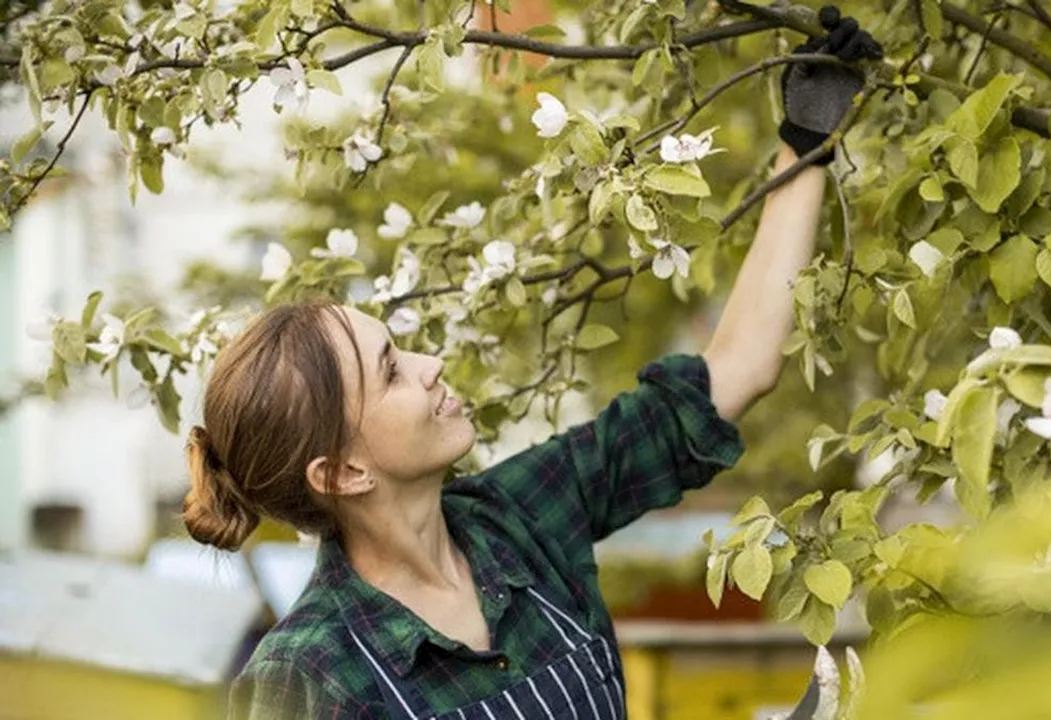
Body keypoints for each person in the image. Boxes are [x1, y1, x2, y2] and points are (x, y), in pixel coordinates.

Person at [185, 8, 881, 719]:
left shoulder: (517, 521)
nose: (431, 364)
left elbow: (734, 374)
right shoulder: (310, 675)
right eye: (391, 370)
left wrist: (804, 143)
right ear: (341, 472)